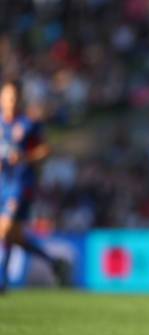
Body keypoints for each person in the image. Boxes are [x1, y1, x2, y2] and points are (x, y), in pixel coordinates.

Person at [0, 80, 70, 293]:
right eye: (7, 97)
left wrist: (24, 157)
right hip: (4, 183)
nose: (11, 102)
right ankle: (54, 263)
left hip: (22, 184)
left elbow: (46, 150)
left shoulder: (28, 124)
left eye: (14, 98)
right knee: (15, 237)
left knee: (5, 230)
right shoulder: (2, 125)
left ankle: (1, 280)